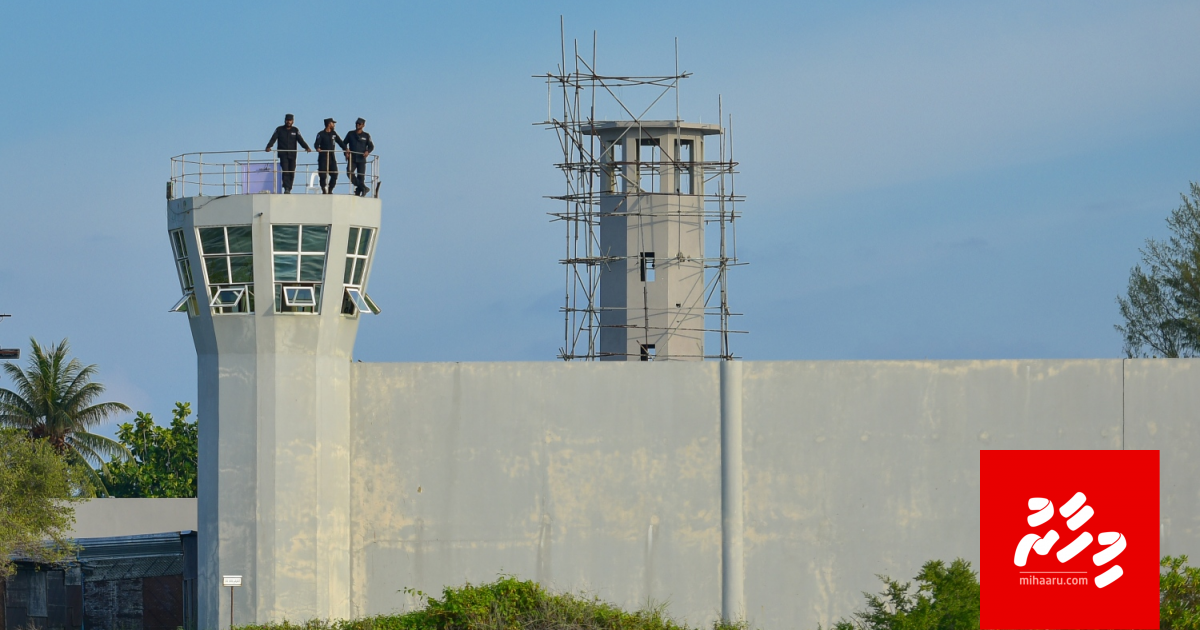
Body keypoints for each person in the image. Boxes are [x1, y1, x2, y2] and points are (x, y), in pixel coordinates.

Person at [265, 114, 311, 193]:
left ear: (292, 121)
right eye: (287, 120)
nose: (288, 122)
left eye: (290, 120)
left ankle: (289, 187)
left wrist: (306, 147)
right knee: (285, 171)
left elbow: (300, 140)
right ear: (285, 120)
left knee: (292, 171)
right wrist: (269, 146)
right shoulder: (279, 129)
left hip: (292, 154)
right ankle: (286, 187)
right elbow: (273, 138)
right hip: (283, 154)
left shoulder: (295, 130)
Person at [313, 118, 346, 194]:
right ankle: (324, 189)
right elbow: (316, 143)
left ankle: (330, 189)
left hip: (332, 156)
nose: (334, 125)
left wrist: (346, 149)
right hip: (323, 157)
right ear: (329, 124)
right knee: (323, 175)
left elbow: (340, 142)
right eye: (333, 123)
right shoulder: (321, 134)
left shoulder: (333, 133)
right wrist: (317, 148)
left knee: (335, 173)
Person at [344, 117, 375, 197]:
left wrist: (367, 151)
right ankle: (363, 187)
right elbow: (344, 143)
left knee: (361, 177)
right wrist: (346, 151)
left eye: (359, 124)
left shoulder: (366, 135)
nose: (357, 125)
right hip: (352, 158)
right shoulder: (350, 134)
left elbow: (371, 146)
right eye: (357, 123)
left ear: (363, 125)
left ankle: (359, 191)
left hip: (361, 159)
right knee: (349, 173)